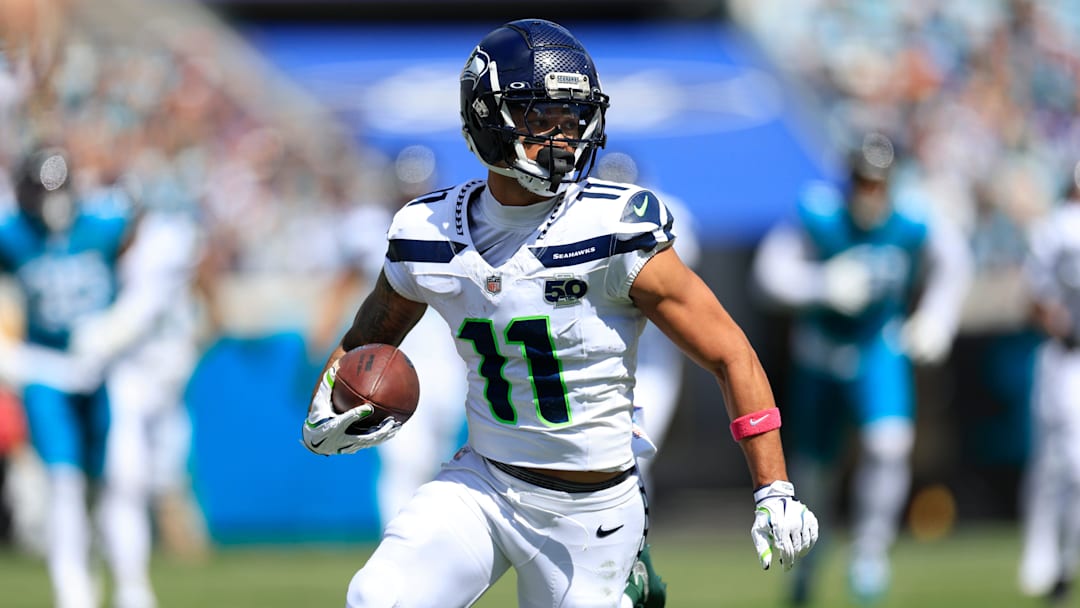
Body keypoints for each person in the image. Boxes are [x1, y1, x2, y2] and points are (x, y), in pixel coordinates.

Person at [302, 19, 818, 608]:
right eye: (540, 116)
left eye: (572, 117)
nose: (563, 136)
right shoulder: (425, 231)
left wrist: (773, 486)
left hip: (592, 514)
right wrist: (331, 402)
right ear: (487, 119)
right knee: (378, 597)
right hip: (485, 485)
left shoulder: (615, 227)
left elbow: (731, 352)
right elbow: (370, 338)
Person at [751, 132, 973, 605]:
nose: (869, 193)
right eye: (861, 182)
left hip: (878, 348)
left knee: (889, 447)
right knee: (813, 473)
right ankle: (810, 559)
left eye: (877, 183)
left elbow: (954, 265)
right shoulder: (818, 212)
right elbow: (767, 275)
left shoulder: (916, 217)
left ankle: (871, 552)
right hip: (821, 353)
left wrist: (936, 318)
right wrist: (822, 285)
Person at [0, 146, 155, 608]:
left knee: (122, 481)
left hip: (105, 369)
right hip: (48, 368)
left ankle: (132, 589)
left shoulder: (104, 223)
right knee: (64, 484)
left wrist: (119, 327)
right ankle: (75, 596)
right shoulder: (13, 235)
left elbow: (155, 261)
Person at [313, 144, 469, 528]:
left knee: (435, 461)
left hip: (447, 359)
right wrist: (322, 332)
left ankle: (423, 544)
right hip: (389, 358)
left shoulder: (454, 226)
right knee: (403, 459)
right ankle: (395, 544)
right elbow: (344, 282)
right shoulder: (369, 228)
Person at [1017, 164, 1080, 606]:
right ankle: (1046, 557)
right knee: (1062, 463)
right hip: (1066, 358)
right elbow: (1036, 299)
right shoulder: (1056, 228)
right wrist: (1064, 327)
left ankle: (1065, 559)